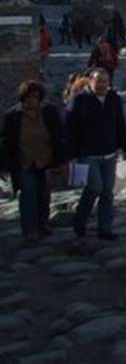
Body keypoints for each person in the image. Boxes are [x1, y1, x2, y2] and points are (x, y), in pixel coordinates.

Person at [66, 68, 126, 240]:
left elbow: (120, 123)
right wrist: (70, 154)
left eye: (105, 81)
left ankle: (105, 229)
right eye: (98, 81)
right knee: (95, 187)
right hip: (88, 153)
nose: (102, 85)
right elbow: (70, 129)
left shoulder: (113, 99)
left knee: (107, 192)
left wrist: (125, 146)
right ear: (90, 81)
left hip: (109, 152)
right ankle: (80, 220)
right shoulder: (79, 100)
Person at [3, 81, 65, 243]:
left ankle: (42, 223)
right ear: (22, 98)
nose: (32, 100)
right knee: (28, 194)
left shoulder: (49, 112)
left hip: (45, 160)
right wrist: (5, 165)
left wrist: (61, 160)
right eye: (29, 97)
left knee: (43, 194)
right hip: (24, 162)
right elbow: (7, 142)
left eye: (36, 97)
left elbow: (58, 136)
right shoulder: (13, 116)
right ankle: (29, 229)